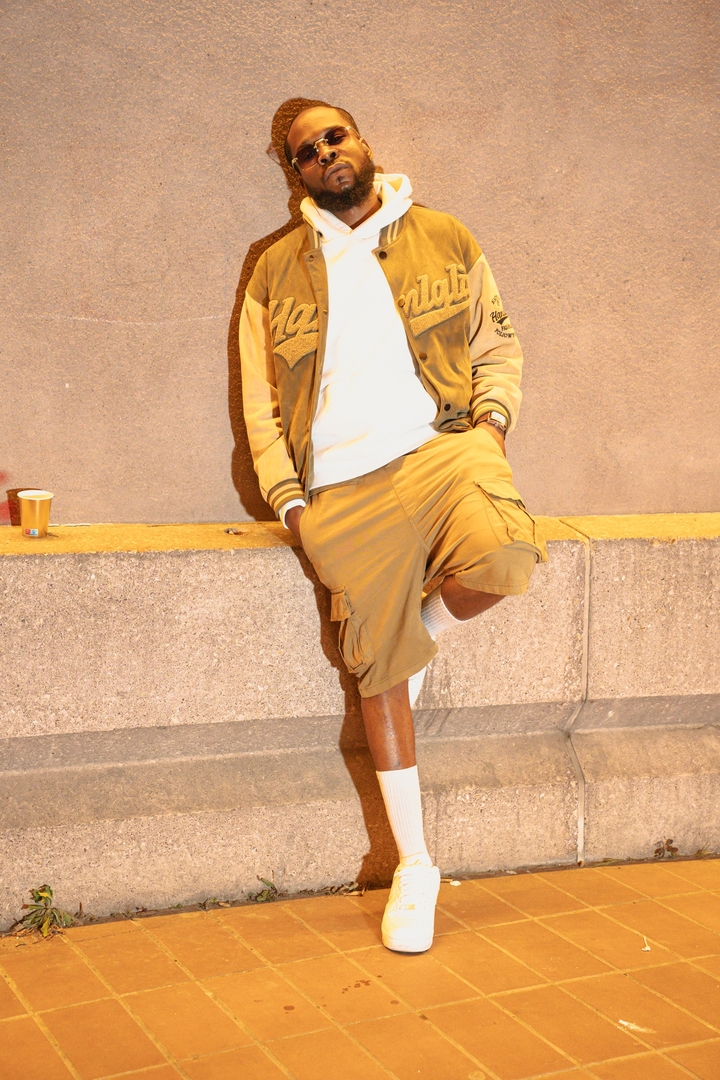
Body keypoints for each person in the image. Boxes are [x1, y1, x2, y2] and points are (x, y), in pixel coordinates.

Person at [239, 101, 546, 954]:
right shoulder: (274, 270)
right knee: (377, 669)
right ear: (295, 173)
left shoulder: (444, 235)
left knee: (507, 554)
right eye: (306, 152)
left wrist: (491, 424)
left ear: (363, 141)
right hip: (340, 488)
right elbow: (260, 403)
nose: (324, 153)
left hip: (443, 449)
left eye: (334, 136)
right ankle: (414, 866)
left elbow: (498, 343)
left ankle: (422, 630)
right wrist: (290, 504)